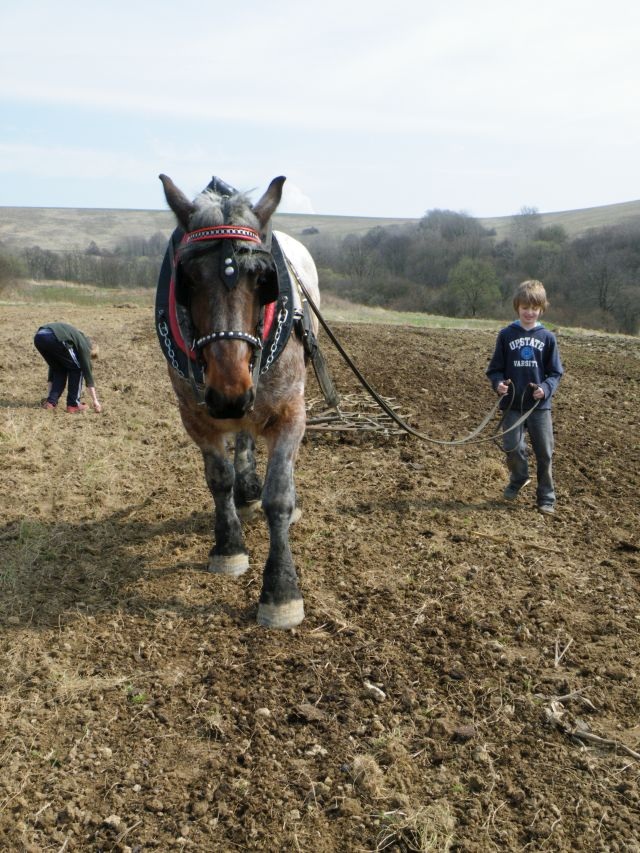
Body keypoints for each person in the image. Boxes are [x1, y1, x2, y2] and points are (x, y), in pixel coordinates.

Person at [486, 280, 563, 514]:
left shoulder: (547, 337)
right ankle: (519, 477)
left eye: (534, 308)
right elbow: (495, 369)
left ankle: (546, 497)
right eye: (525, 307)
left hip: (538, 407)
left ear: (541, 309)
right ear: (517, 307)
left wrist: (546, 388)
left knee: (544, 452)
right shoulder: (506, 335)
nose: (529, 312)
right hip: (512, 406)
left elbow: (556, 372)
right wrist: (498, 383)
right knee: (512, 446)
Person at [34, 322, 102, 413]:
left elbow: (53, 370)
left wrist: (49, 396)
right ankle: (73, 405)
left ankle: (50, 403)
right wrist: (95, 401)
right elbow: (87, 374)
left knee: (59, 370)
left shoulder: (73, 338)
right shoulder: (85, 346)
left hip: (39, 337)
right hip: (55, 337)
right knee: (77, 368)